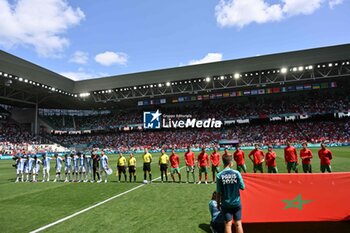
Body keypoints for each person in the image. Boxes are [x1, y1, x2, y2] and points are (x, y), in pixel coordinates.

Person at [216, 155, 245, 233]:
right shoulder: (237, 173)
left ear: (223, 163)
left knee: (228, 224)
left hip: (226, 203)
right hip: (236, 202)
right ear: (231, 163)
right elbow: (243, 187)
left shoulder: (219, 175)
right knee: (238, 224)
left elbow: (218, 192)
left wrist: (218, 203)